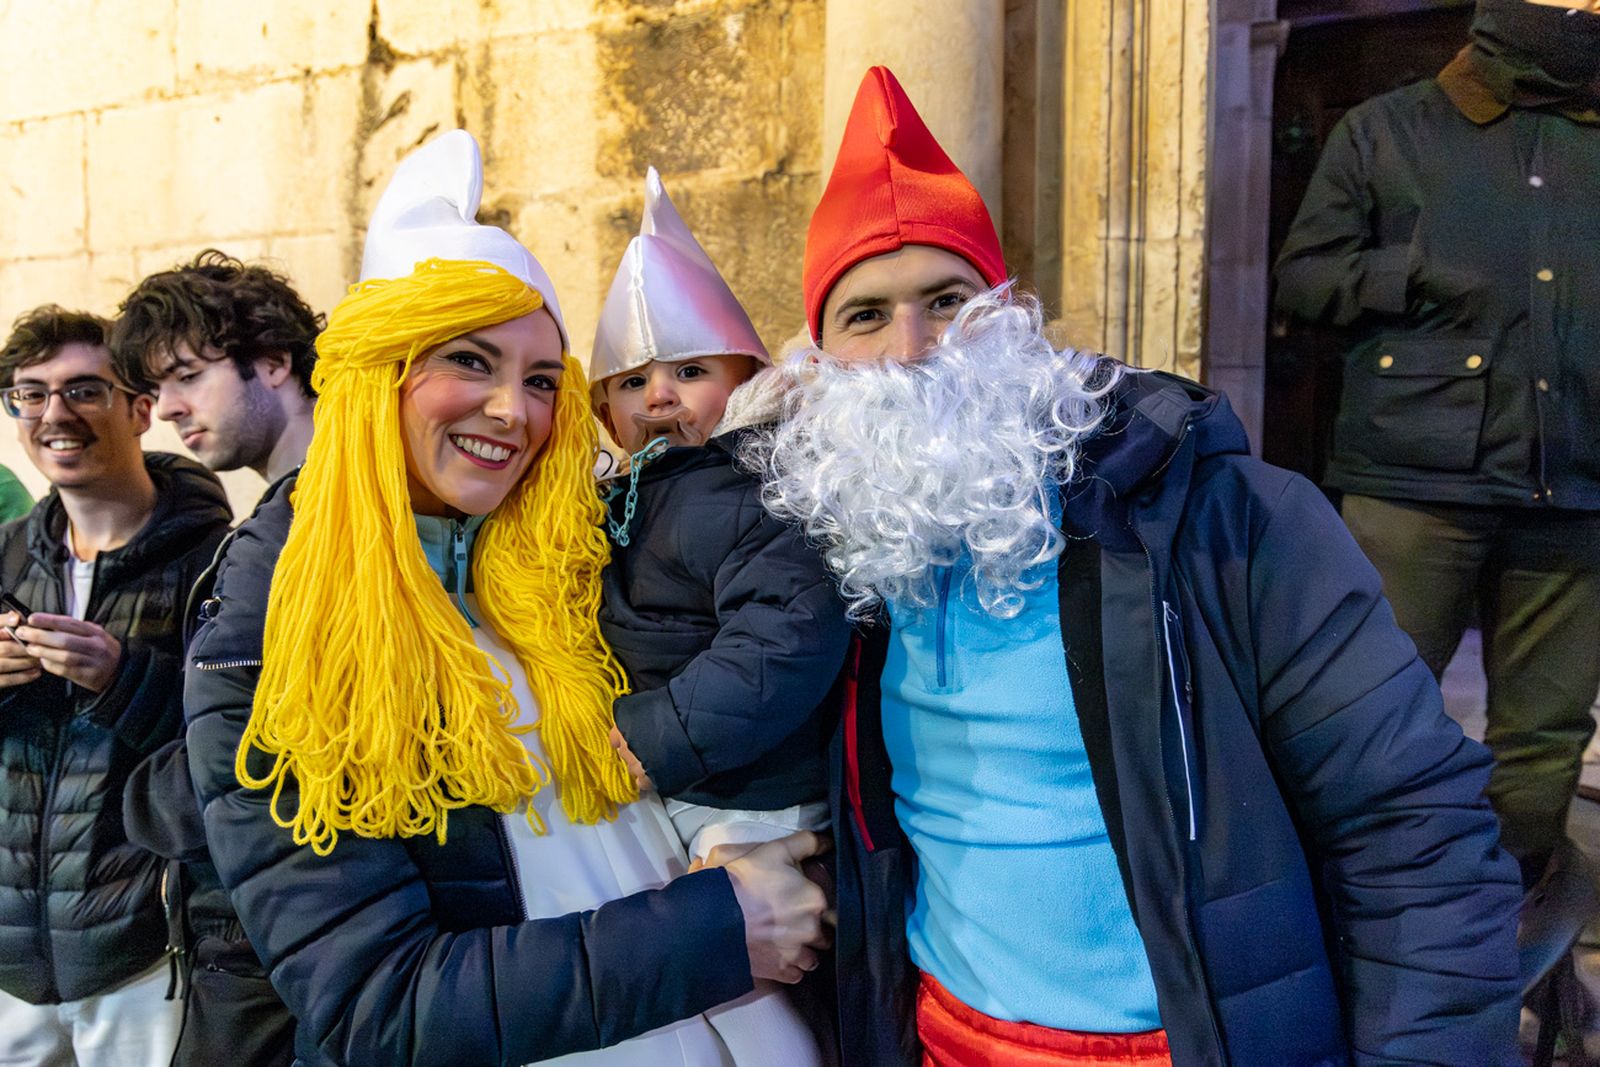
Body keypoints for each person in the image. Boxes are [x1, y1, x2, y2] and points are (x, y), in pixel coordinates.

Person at [745, 66, 1523, 1066]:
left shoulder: (1222, 519)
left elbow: (1413, 826)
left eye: (946, 298)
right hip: (938, 1038)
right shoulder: (826, 552)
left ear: (1010, 322)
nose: (913, 348)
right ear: (815, 359)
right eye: (865, 315)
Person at [183, 129, 829, 1067]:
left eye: (538, 379)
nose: (513, 411)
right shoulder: (271, 628)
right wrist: (722, 926)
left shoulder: (557, 565)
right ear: (377, 379)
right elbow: (379, 1002)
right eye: (470, 363)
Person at [1275, 0, 1600, 887]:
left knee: (1545, 738)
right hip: (1415, 480)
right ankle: (1369, 924)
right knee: (1373, 710)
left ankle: (1505, 941)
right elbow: (1304, 278)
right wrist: (1413, 271)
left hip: (1577, 484)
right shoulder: (1388, 128)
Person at [589, 167, 852, 1065]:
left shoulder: (748, 487)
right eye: (632, 381)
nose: (658, 396)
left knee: (747, 963)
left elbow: (785, 631)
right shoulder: (632, 491)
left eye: (689, 371)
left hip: (750, 793)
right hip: (687, 778)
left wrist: (656, 733)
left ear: (744, 377)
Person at [107, 250, 324, 1066]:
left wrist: (160, 792)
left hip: (276, 932)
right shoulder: (278, 514)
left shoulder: (322, 520)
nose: (165, 409)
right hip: (241, 930)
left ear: (272, 360)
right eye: (158, 388)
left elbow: (282, 731)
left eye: (188, 376)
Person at [0, 306, 231, 1067]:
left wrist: (123, 675)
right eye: (30, 394)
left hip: (145, 955)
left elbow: (243, 739)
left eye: (83, 390)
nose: (53, 415)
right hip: (9, 964)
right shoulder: (5, 555)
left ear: (141, 409)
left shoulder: (217, 556)